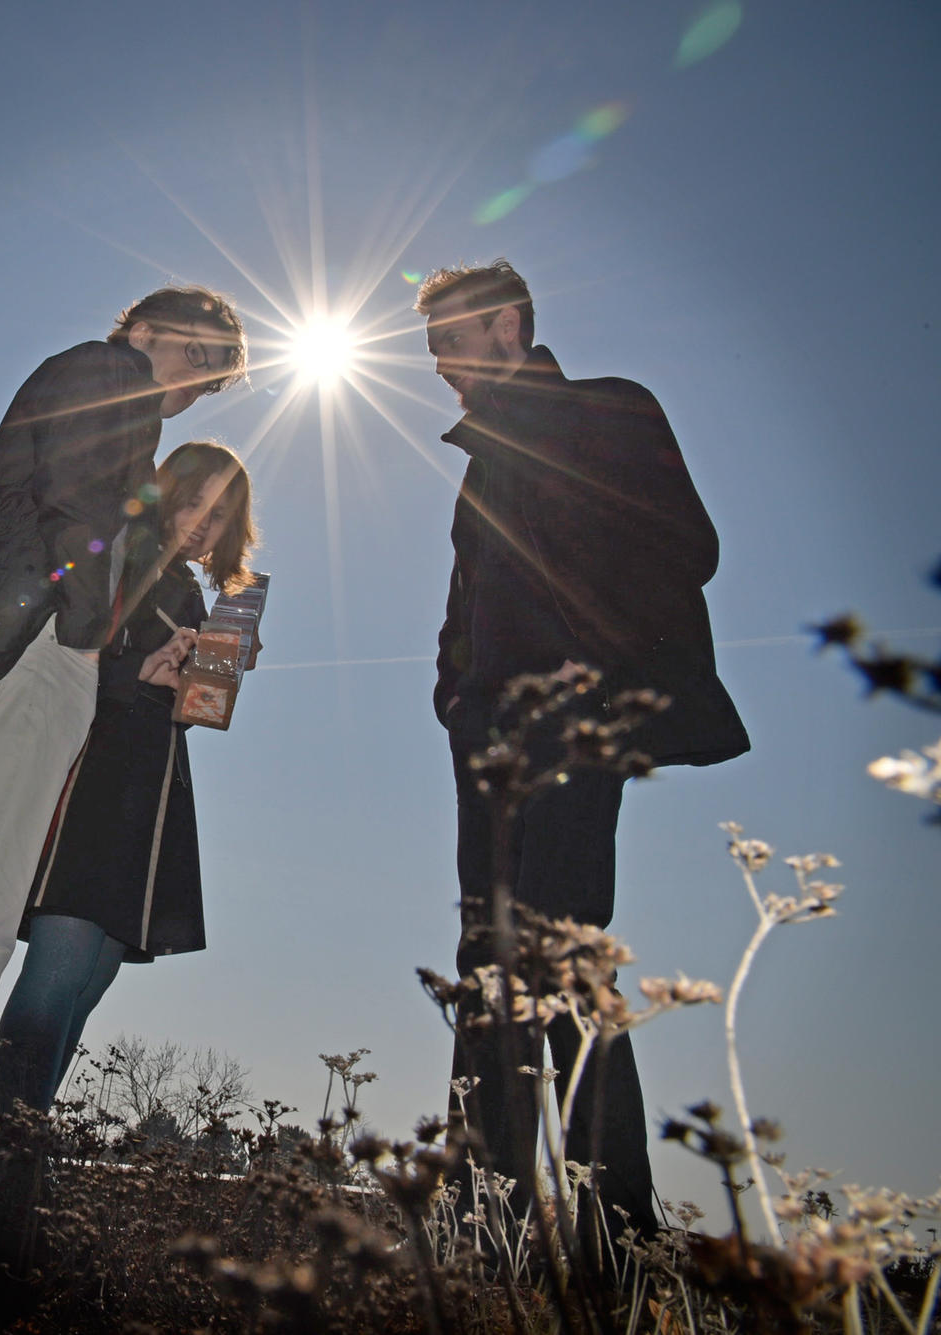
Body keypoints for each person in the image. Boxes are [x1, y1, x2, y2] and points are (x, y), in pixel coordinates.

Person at [0, 287, 248, 1159]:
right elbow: (75, 504)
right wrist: (89, 631)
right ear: (143, 328)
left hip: (2, 647)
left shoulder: (108, 392)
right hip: (33, 650)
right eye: (196, 355)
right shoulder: (109, 374)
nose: (194, 385)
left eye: (215, 378)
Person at [415, 260, 749, 1243]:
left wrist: (591, 667)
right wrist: (454, 696)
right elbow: (461, 614)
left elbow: (685, 545)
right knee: (485, 958)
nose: (435, 360)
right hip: (484, 742)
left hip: (575, 717)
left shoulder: (609, 410)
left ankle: (612, 1221)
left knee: (559, 949)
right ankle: (484, 1215)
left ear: (507, 326)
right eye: (426, 342)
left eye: (450, 336)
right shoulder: (477, 465)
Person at [0, 441, 256, 1116]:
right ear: (166, 491)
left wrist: (215, 674)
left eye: (220, 514)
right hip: (93, 779)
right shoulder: (116, 558)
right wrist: (134, 673)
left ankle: (25, 1147)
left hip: (154, 796)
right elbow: (54, 660)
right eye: (193, 499)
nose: (202, 521)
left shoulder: (201, 599)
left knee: (89, 982)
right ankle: (10, 1154)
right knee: (57, 972)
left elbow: (193, 713)